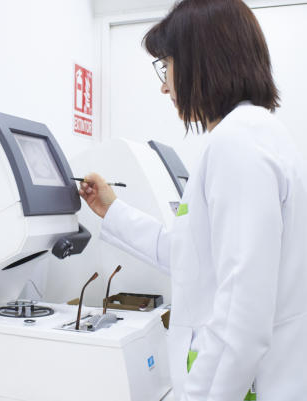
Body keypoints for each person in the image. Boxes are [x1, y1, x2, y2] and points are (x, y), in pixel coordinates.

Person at [79, 1, 307, 400]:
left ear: (201, 59)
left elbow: (241, 314)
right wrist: (112, 210)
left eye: (166, 65)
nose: (164, 85)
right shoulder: (256, 135)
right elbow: (192, 257)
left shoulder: (238, 143)